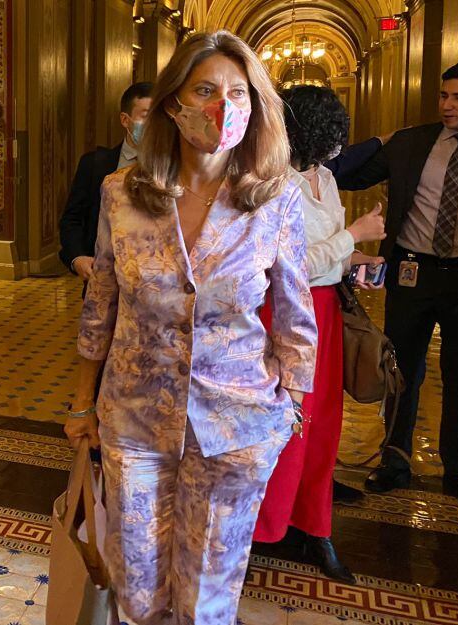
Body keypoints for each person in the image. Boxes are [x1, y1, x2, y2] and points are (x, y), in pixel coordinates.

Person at [64, 31, 317, 624]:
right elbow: (100, 303)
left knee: (206, 599)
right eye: (204, 89)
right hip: (133, 419)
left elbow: (295, 313)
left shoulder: (276, 198)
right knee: (138, 590)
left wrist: (288, 408)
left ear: (254, 107)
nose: (219, 107)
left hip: (236, 425)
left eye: (236, 92)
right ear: (174, 101)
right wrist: (82, 405)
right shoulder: (120, 194)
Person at [253, 85, 387, 584]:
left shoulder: (325, 178)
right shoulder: (271, 184)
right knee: (285, 423)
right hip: (286, 313)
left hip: (328, 309)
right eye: (332, 133)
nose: (339, 145)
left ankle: (312, 523)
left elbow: (326, 257)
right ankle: (262, 527)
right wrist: (354, 235)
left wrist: (358, 260)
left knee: (324, 422)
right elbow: (286, 266)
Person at [336, 60, 458, 503]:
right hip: (412, 273)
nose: (447, 106)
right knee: (401, 368)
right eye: (444, 96)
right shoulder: (414, 143)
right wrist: (375, 142)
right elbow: (348, 173)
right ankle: (395, 459)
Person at [59, 82, 153, 281]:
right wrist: (77, 258)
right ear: (125, 120)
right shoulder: (95, 165)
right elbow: (72, 219)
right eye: (145, 116)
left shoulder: (176, 168)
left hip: (155, 286)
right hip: (104, 280)